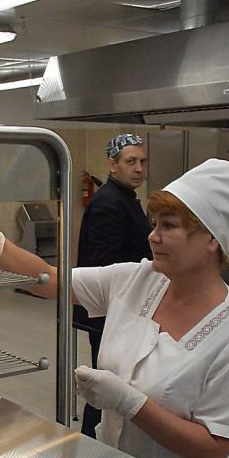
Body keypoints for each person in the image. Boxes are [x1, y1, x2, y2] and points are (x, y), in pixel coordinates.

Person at [0, 159, 229, 458]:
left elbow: (213, 452)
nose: (153, 236)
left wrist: (130, 403)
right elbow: (52, 281)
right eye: (154, 224)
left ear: (212, 238)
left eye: (169, 226)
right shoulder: (139, 280)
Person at [75, 133, 153, 439]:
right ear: (113, 165)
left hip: (119, 308)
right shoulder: (109, 204)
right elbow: (105, 264)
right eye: (131, 161)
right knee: (106, 379)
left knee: (111, 378)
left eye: (142, 162)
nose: (139, 168)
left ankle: (98, 439)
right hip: (109, 312)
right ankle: (89, 441)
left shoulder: (125, 199)